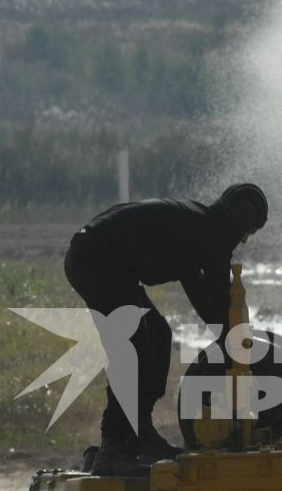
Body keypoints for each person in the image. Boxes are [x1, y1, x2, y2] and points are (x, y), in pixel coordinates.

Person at [64, 183, 268, 472]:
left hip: (98, 259)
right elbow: (220, 298)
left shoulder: (199, 224)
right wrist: (234, 346)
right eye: (249, 231)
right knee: (133, 348)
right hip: (97, 260)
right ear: (241, 220)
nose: (245, 240)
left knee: (158, 335)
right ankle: (112, 447)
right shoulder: (211, 238)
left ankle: (139, 434)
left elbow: (199, 291)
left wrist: (225, 337)